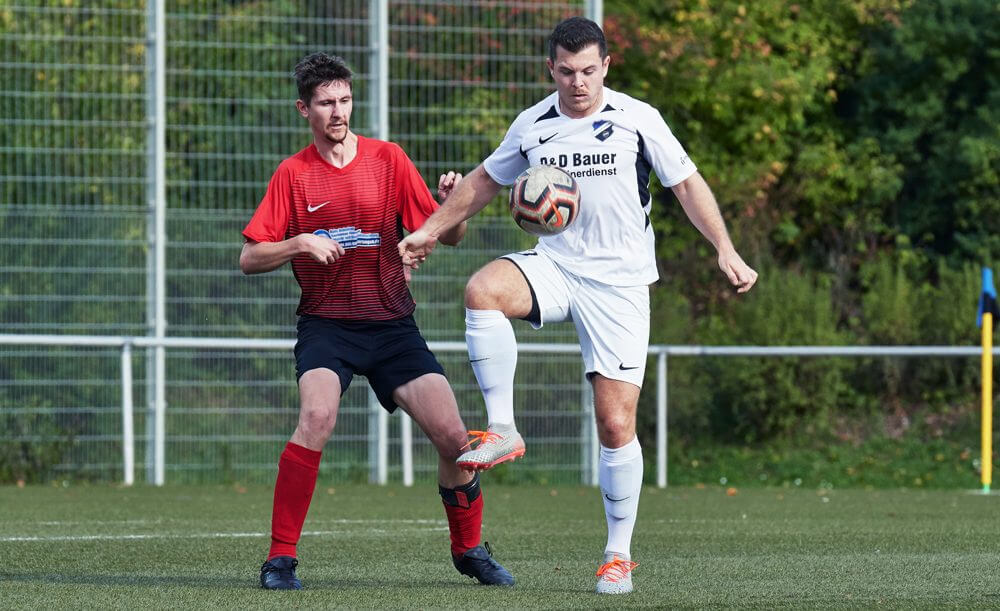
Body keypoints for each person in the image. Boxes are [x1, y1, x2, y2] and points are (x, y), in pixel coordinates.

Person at [399, 17, 758, 595]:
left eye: (589, 70)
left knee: (615, 425)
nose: (578, 82)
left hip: (620, 284)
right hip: (559, 264)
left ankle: (618, 555)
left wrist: (725, 248)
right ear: (551, 70)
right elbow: (484, 183)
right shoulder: (533, 124)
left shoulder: (639, 119)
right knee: (482, 291)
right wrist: (429, 230)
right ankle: (504, 429)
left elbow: (687, 185)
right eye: (566, 72)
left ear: (606, 66)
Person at [241, 52, 514, 590]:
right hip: (327, 327)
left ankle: (469, 551)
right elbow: (250, 257)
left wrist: (447, 209)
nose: (338, 111)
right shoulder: (292, 175)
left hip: (392, 327)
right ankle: (279, 560)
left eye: (344, 100)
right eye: (325, 103)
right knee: (316, 419)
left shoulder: (388, 160)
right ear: (304, 109)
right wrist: (298, 242)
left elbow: (445, 236)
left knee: (457, 441)